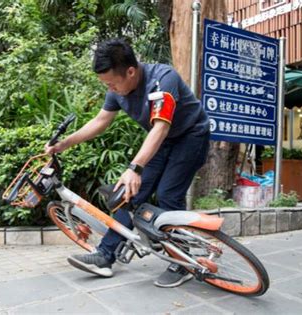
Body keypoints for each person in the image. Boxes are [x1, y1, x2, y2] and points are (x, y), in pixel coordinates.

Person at [45, 39, 210, 288]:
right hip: (162, 141)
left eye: (112, 83)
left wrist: (135, 168)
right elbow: (101, 121)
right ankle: (105, 255)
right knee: (128, 194)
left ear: (131, 71)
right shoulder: (117, 89)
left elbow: (161, 127)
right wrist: (64, 144)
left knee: (168, 194)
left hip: (191, 136)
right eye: (106, 84)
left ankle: (182, 262)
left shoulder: (163, 79)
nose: (110, 88)